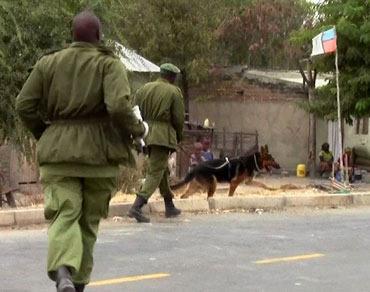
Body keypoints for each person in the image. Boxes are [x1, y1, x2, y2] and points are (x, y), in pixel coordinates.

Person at [16, 11, 147, 292]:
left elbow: (24, 105)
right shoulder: (109, 65)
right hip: (99, 157)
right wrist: (137, 131)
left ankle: (63, 271)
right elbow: (119, 108)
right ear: (99, 37)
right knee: (88, 222)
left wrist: (48, 133)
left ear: (72, 36)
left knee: (65, 213)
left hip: (58, 157)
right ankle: (78, 285)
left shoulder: (47, 63)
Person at [128, 63, 185, 223]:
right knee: (155, 171)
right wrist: (178, 136)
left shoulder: (144, 89)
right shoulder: (174, 92)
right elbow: (179, 119)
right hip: (162, 135)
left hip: (145, 132)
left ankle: (169, 205)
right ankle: (137, 206)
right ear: (172, 77)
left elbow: (134, 110)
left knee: (161, 169)